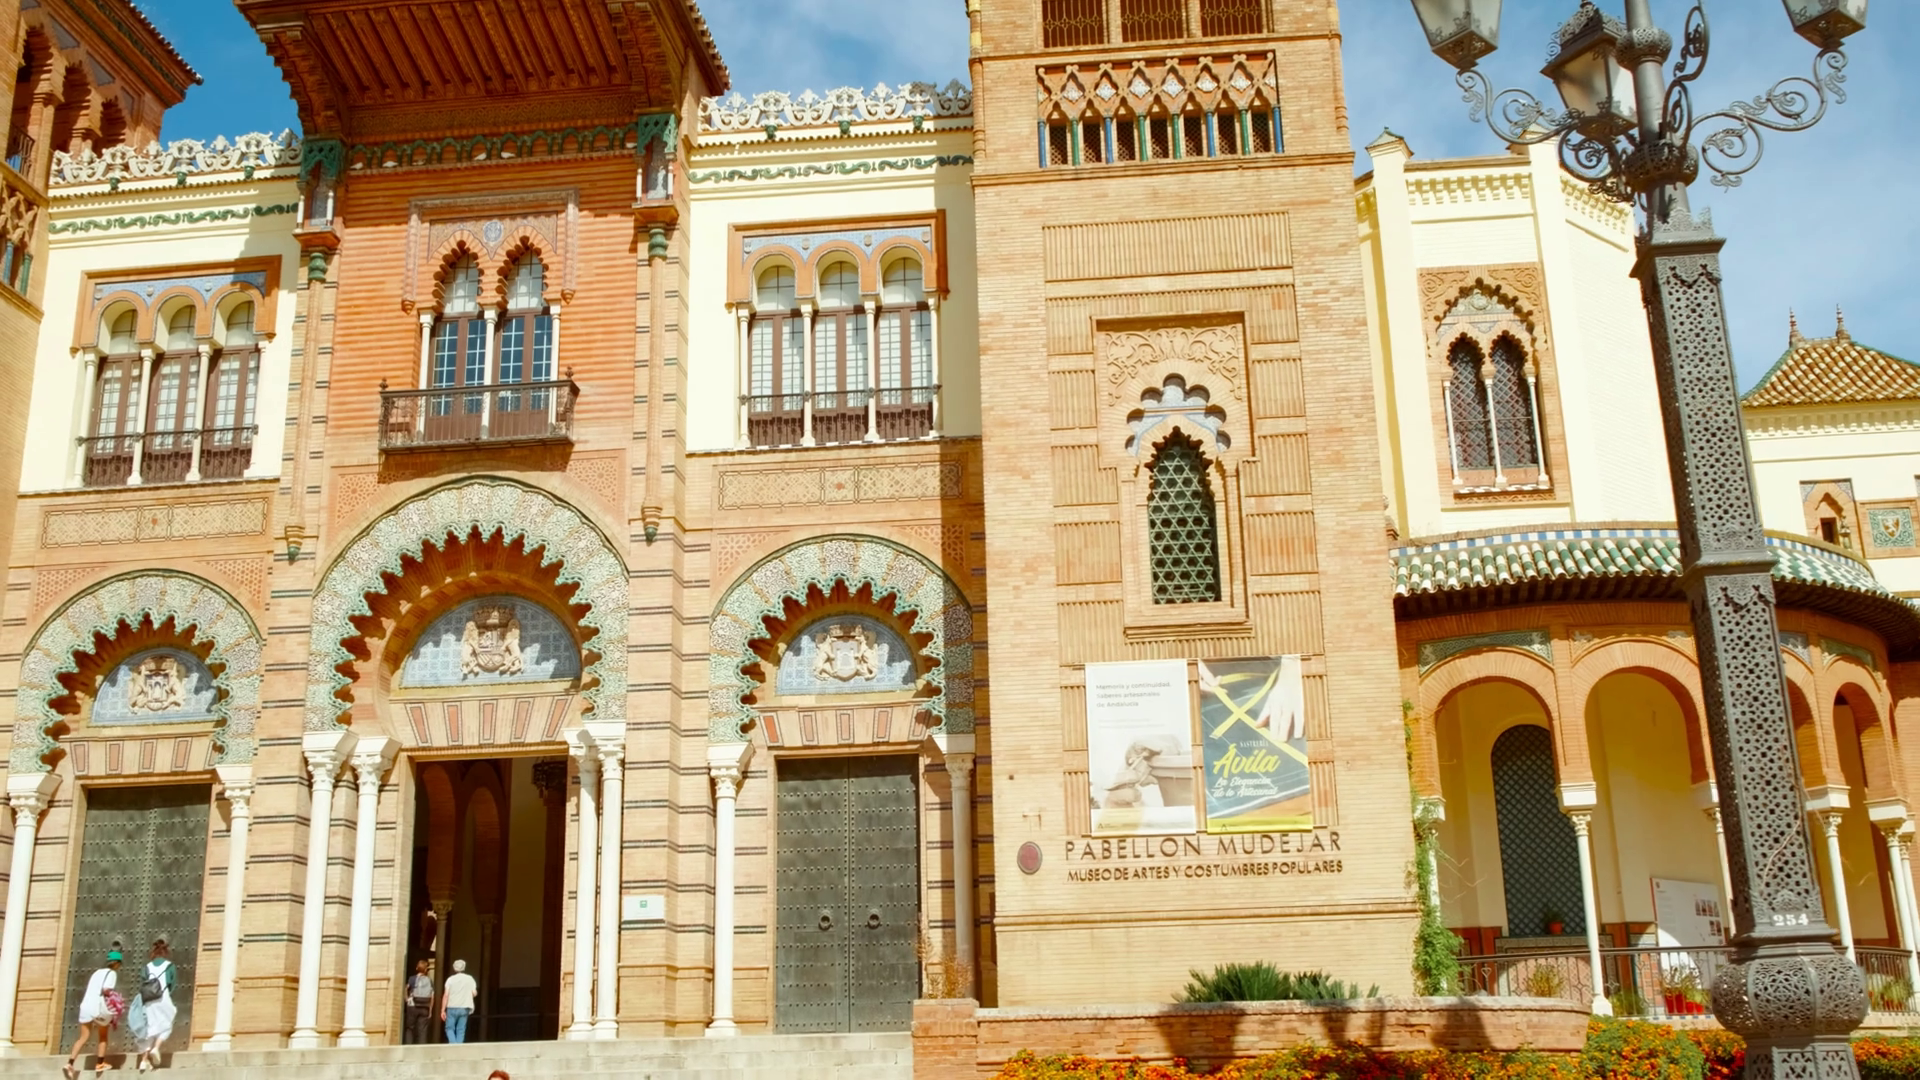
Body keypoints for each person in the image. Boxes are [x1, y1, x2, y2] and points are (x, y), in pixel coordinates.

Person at [63, 947, 123, 1078]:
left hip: (86, 1007)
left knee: (83, 1037)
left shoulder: (97, 973)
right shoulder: (112, 973)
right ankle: (100, 1063)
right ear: (117, 963)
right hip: (98, 1008)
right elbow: (106, 989)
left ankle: (70, 1063)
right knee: (103, 1036)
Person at [129, 938, 177, 1073]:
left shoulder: (147, 966)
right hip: (163, 998)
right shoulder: (170, 966)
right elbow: (172, 984)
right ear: (165, 951)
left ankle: (143, 1061)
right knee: (167, 1023)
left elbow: (143, 982)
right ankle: (156, 1048)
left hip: (149, 1000)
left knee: (149, 1029)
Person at [441, 959, 477, 1044]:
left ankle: (453, 1045)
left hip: (452, 1006)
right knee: (461, 1029)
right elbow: (474, 993)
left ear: (454, 968)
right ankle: (458, 1047)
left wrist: (442, 1010)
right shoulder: (470, 978)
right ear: (464, 967)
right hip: (464, 1007)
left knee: (449, 1028)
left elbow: (446, 995)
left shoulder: (450, 979)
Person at [404, 959, 435, 1044]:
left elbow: (406, 988)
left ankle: (408, 1047)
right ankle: (422, 1049)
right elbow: (432, 996)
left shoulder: (412, 978)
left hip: (413, 1006)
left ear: (417, 968)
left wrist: (406, 999)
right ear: (426, 970)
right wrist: (430, 1010)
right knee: (423, 1030)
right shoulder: (429, 980)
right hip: (425, 1007)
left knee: (410, 1028)